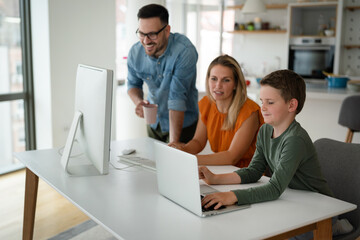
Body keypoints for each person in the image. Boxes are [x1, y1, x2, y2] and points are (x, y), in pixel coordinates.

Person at [198, 69, 353, 239]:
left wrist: (232, 196)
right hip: (292, 200)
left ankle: (334, 226)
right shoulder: (265, 130)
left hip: (319, 210)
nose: (262, 108)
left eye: (270, 102)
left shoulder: (295, 139)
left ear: (291, 105)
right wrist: (215, 179)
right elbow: (254, 171)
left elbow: (275, 188)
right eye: (262, 101)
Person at [169, 55, 264, 168]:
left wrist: (190, 159)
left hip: (248, 174)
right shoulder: (206, 104)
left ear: (236, 84)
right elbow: (198, 141)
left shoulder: (249, 111)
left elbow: (232, 157)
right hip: (221, 169)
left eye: (226, 80)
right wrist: (183, 150)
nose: (218, 86)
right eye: (214, 79)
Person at [127, 4, 198, 144]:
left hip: (182, 125)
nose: (146, 41)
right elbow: (133, 84)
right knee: (153, 163)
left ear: (166, 30)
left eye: (152, 34)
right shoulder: (135, 53)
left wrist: (173, 145)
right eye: (142, 34)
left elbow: (176, 99)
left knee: (175, 162)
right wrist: (139, 102)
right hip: (154, 123)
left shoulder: (184, 52)